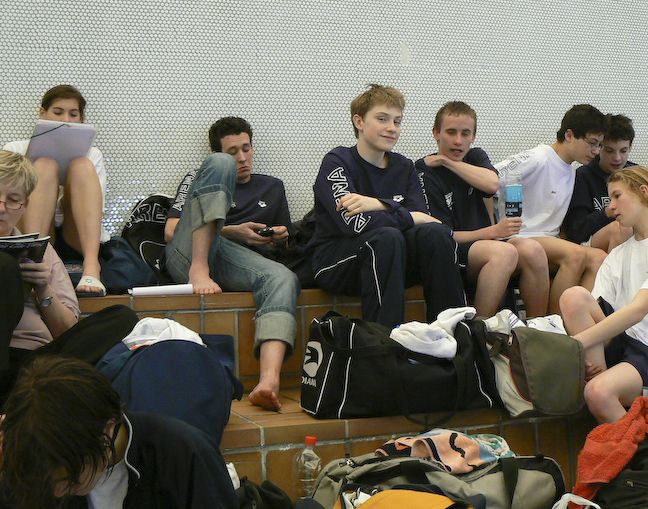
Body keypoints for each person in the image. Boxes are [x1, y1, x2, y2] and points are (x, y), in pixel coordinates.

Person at [164, 117, 300, 412]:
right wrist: (232, 231)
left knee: (283, 278)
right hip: (188, 254)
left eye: (246, 149)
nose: (241, 158)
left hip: (235, 260)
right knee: (219, 166)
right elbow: (171, 231)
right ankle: (200, 268)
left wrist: (277, 237)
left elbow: (285, 245)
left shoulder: (272, 187)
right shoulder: (202, 174)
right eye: (233, 151)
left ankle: (268, 382)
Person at [307, 84, 466, 327]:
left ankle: (452, 333)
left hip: (392, 259)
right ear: (359, 122)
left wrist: (378, 204)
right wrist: (402, 213)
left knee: (436, 235)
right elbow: (356, 224)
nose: (392, 128)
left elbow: (424, 220)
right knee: (387, 238)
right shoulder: (337, 161)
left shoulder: (404, 166)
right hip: (337, 263)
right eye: (382, 119)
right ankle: (384, 341)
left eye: (397, 121)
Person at [559, 166, 648, 423]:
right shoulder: (618, 254)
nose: (611, 206)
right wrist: (583, 348)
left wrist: (573, 346)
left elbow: (638, 311)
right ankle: (598, 379)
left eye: (617, 196)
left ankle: (635, 440)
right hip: (623, 342)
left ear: (643, 192)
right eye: (609, 198)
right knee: (573, 296)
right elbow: (599, 312)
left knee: (598, 392)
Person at [0, 356, 238, 509]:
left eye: (67, 479)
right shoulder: (28, 456)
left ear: (107, 430)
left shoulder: (184, 454)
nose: (57, 492)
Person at [0, 150, 137, 403]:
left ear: (25, 206)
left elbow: (67, 331)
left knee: (122, 317)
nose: (1, 208)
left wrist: (43, 290)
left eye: (13, 200)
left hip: (38, 361)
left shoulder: (41, 251)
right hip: (5, 359)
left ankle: (32, 386)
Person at [415, 101, 549, 318]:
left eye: (465, 134)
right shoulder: (425, 172)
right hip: (454, 251)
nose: (458, 141)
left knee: (533, 250)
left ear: (474, 136)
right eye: (451, 132)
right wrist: (492, 232)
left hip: (487, 242)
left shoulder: (475, 157)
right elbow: (443, 235)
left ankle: (536, 327)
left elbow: (492, 184)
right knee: (504, 252)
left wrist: (447, 162)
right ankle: (481, 328)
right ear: (436, 133)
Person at [495, 104, 608, 314]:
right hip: (521, 236)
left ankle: (573, 318)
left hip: (548, 240)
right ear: (569, 135)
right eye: (592, 143)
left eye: (600, 145)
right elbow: (491, 179)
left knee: (599, 258)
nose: (596, 151)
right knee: (575, 254)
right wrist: (491, 226)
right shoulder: (538, 157)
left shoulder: (571, 169)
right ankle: (553, 323)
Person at [3, 85, 108, 297]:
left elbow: (97, 208)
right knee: (44, 165)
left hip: (75, 236)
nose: (65, 120)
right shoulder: (16, 149)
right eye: (58, 112)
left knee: (81, 165)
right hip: (32, 234)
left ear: (81, 119)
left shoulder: (91, 155)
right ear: (43, 113)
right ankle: (35, 260)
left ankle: (91, 265)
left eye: (73, 114)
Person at [563, 114, 637, 252]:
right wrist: (607, 213)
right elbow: (575, 231)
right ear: (599, 148)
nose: (617, 158)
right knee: (620, 228)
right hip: (592, 242)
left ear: (630, 147)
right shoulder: (583, 176)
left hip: (634, 240)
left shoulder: (637, 174)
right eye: (609, 151)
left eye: (623, 151)